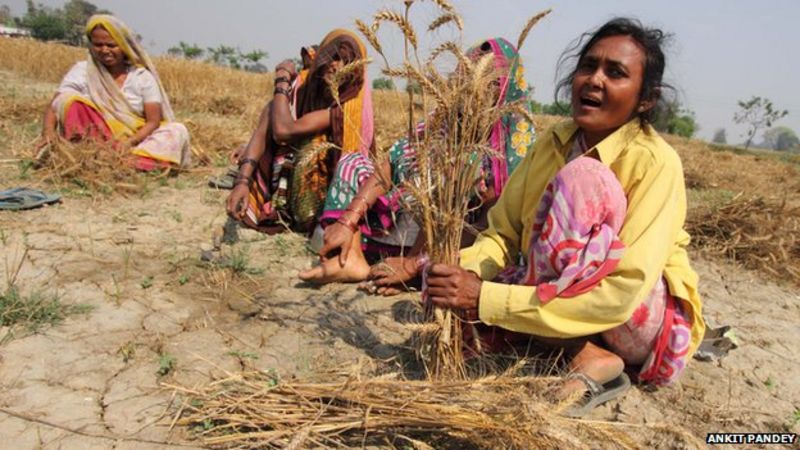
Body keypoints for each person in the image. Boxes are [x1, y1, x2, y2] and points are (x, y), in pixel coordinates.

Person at [425, 18, 705, 415]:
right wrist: (460, 272)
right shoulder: (552, 142)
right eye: (588, 66)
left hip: (637, 322)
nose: (593, 80)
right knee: (448, 301)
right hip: (566, 301)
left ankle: (580, 348)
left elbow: (623, 294)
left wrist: (487, 297)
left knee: (582, 179)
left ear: (646, 99)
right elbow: (502, 234)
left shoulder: (656, 162)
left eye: (616, 73)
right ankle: (587, 352)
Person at [299, 38, 536, 294]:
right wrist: (349, 219)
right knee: (352, 162)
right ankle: (351, 256)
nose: (469, 85)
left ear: (503, 87)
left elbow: (491, 227)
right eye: (465, 73)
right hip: (405, 223)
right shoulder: (445, 118)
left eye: (483, 79)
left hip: (455, 243)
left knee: (449, 178)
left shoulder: (515, 145)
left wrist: (416, 263)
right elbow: (392, 162)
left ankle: (413, 274)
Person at [226, 29, 373, 234]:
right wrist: (242, 181)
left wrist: (282, 81)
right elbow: (273, 117)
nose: (335, 65)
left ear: (355, 69)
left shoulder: (346, 110)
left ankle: (304, 217)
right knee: (273, 108)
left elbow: (283, 131)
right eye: (332, 57)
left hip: (321, 200)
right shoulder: (310, 90)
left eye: (344, 60)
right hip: (288, 182)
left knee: (312, 144)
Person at [36, 14, 190, 171]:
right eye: (98, 44)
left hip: (133, 141)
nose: (104, 50)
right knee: (68, 100)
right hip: (94, 140)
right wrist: (48, 133)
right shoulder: (82, 71)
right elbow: (54, 105)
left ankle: (125, 161)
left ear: (123, 46)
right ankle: (96, 156)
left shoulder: (141, 77)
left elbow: (153, 122)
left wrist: (129, 142)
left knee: (177, 130)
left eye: (111, 45)